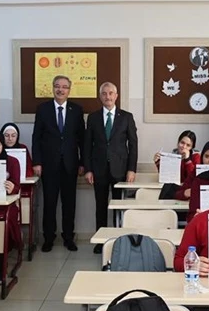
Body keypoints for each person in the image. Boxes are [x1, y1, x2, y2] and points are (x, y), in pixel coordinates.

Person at [31, 74, 85, 251]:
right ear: (52, 88)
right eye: (57, 86)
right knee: (49, 202)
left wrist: (82, 163)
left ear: (69, 90)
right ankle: (49, 238)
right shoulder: (43, 109)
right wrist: (37, 162)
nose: (60, 90)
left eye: (64, 87)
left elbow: (82, 139)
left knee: (69, 204)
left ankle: (68, 237)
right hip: (49, 165)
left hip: (70, 164)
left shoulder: (76, 110)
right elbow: (36, 137)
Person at [84, 82, 139, 252]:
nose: (107, 96)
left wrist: (132, 169)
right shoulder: (93, 118)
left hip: (120, 170)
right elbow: (87, 145)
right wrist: (88, 169)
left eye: (110, 93)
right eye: (104, 93)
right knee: (100, 207)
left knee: (118, 208)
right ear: (100, 96)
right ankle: (101, 242)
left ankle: (118, 242)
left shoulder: (126, 117)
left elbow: (133, 144)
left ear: (116, 96)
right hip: (98, 169)